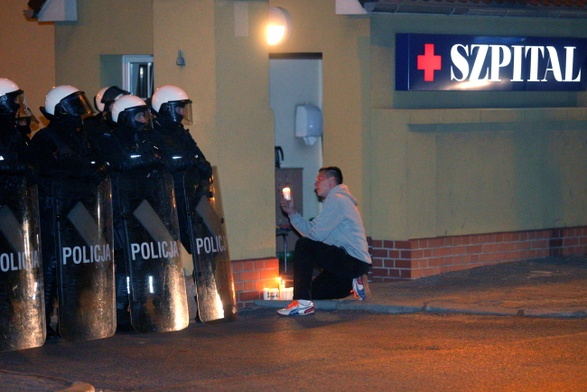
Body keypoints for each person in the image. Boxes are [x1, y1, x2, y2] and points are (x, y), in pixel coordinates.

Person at [29, 85, 103, 336]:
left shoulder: (81, 137)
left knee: (79, 264)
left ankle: (73, 317)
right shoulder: (44, 138)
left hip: (79, 209)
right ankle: (44, 320)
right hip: (54, 210)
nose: (78, 112)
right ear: (59, 110)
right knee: (51, 266)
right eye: (73, 105)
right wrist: (80, 171)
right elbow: (43, 171)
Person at [277, 166, 372, 316]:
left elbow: (314, 236)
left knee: (303, 245)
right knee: (313, 291)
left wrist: (309, 235)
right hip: (349, 267)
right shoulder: (335, 202)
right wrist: (292, 213)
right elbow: (314, 230)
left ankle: (302, 303)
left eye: (319, 180)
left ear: (331, 181)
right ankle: (352, 281)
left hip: (352, 261)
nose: (315, 185)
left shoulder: (338, 200)